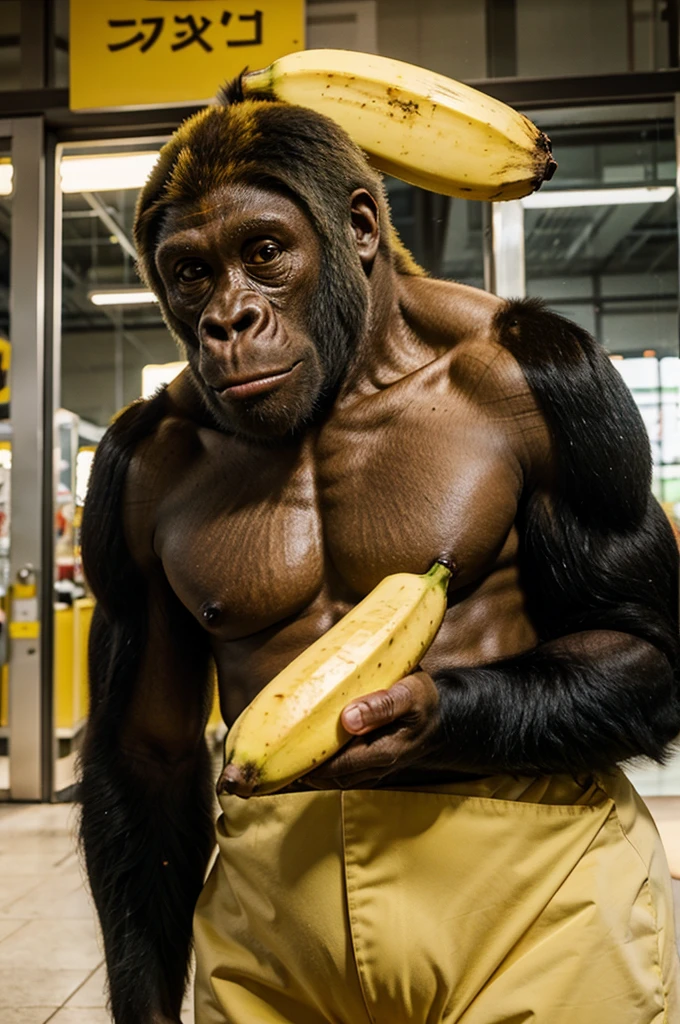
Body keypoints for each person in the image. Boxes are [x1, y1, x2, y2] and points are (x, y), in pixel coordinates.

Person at [79, 78, 680, 1024]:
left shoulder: (519, 378)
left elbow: (653, 664)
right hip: (275, 920)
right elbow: (144, 757)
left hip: (533, 896)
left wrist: (458, 714)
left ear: (358, 230)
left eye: (264, 254)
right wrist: (143, 1006)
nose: (228, 315)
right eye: (192, 273)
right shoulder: (152, 460)